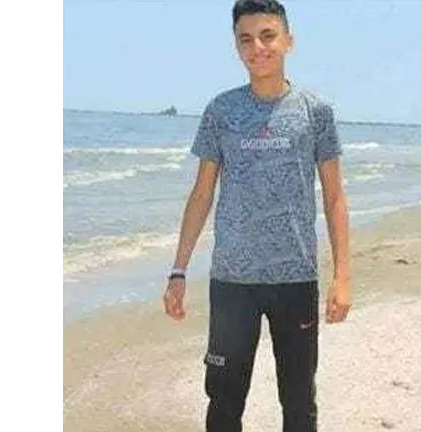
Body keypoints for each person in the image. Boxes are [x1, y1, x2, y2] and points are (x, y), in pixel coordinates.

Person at [163, 1, 351, 430]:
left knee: (299, 402)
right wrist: (178, 270)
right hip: (232, 282)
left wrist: (342, 277)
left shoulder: (316, 111)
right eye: (245, 39)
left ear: (288, 41)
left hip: (295, 279)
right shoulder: (221, 110)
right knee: (223, 403)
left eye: (268, 36)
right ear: (236, 46)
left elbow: (335, 197)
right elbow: (202, 194)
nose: (257, 48)